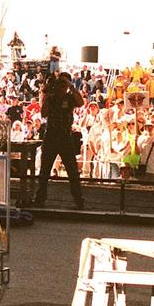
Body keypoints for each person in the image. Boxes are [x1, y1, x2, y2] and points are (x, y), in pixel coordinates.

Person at [33, 72, 85, 209]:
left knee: (72, 170)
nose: (62, 87)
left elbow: (81, 102)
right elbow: (43, 113)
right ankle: (40, 198)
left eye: (64, 84)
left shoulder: (70, 97)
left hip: (65, 136)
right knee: (45, 170)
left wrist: (71, 86)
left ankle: (78, 200)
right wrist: (48, 95)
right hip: (51, 135)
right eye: (60, 84)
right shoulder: (52, 97)